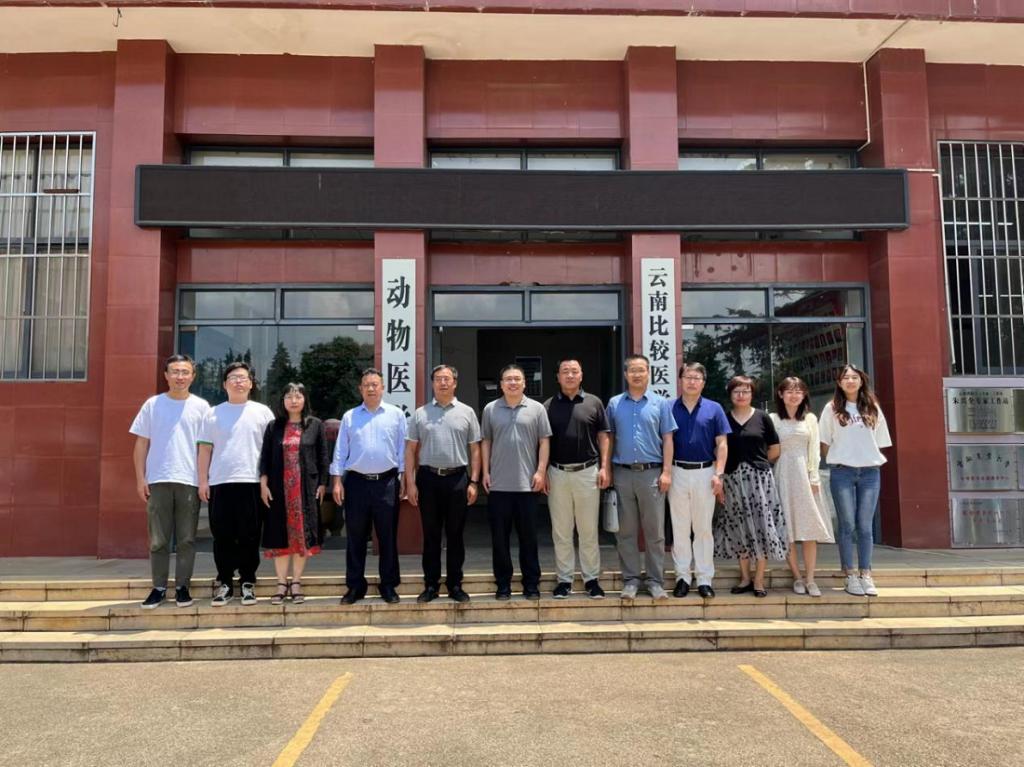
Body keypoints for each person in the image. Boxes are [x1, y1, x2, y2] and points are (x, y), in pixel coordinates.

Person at [129, 354, 211, 609]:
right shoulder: (153, 405)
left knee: (186, 539)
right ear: (166, 375)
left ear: (193, 376)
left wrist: (204, 480)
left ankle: (183, 587)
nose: (180, 377)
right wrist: (140, 478)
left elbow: (206, 447)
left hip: (189, 480)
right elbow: (141, 444)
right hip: (158, 479)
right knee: (158, 540)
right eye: (175, 372)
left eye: (185, 372)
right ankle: (159, 587)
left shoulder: (201, 407)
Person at [198, 361, 276, 607]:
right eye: (233, 377)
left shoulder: (263, 412)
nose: (238, 381)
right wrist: (203, 481)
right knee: (222, 535)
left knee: (249, 535)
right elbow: (204, 450)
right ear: (225, 384)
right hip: (220, 482)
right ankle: (224, 582)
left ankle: (247, 582)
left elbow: (271, 452)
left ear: (251, 384)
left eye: (243, 377)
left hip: (251, 482)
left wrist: (266, 481)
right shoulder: (212, 413)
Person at [405, 364, 482, 604]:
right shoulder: (421, 413)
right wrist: (410, 483)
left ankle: (455, 584)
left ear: (455, 383)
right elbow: (410, 450)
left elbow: (475, 449)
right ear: (432, 383)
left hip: (458, 479)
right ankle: (431, 585)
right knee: (431, 535)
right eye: (438, 379)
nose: (443, 383)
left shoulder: (467, 412)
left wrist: (474, 481)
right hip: (428, 479)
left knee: (456, 534)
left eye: (447, 379)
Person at [331, 368, 407, 605]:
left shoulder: (396, 415)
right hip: (356, 483)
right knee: (355, 537)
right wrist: (336, 481)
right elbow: (340, 450)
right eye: (367, 385)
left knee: (387, 537)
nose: (371, 388)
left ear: (383, 388)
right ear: (360, 389)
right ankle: (355, 586)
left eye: (375, 384)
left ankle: (389, 585)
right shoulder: (350, 416)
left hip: (387, 482)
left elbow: (403, 450)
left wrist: (405, 478)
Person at [606, 354, 676, 600]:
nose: (637, 374)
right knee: (626, 532)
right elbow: (608, 438)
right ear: (626, 375)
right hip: (623, 473)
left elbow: (668, 439)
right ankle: (631, 580)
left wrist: (667, 471)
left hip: (652, 474)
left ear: (649, 373)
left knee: (655, 532)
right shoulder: (615, 403)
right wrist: (607, 469)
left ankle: (655, 581)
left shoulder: (660, 403)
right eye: (632, 370)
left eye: (641, 370)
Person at [819, 364, 892, 597]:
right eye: (845, 378)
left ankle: (866, 573)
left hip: (870, 472)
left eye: (854, 377)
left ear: (861, 381)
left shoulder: (872, 407)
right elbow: (824, 443)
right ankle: (850, 574)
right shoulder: (831, 408)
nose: (850, 381)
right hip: (842, 472)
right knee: (847, 524)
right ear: (839, 383)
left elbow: (880, 442)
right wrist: (839, 458)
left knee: (865, 525)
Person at [481, 363, 552, 600]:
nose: (512, 383)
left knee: (529, 538)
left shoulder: (537, 409)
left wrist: (541, 471)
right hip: (499, 485)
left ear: (524, 383)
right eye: (508, 379)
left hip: (527, 485)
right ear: (501, 384)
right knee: (499, 539)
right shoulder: (490, 409)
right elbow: (486, 442)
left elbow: (544, 441)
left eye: (517, 379)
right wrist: (485, 471)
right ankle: (503, 584)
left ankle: (531, 584)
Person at [714, 375, 788, 598]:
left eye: (745, 391)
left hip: (759, 480)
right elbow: (718, 450)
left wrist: (759, 465)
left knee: (761, 527)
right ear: (730, 394)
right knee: (739, 528)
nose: (741, 395)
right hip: (733, 480)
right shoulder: (724, 418)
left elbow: (775, 449)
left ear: (752, 394)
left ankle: (759, 580)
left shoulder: (762, 417)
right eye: (736, 391)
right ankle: (745, 577)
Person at [543, 359, 611, 599]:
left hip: (587, 472)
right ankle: (564, 580)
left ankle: (591, 579)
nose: (570, 375)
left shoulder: (594, 403)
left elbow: (604, 436)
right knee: (561, 531)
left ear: (581, 375)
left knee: (588, 530)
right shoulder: (548, 406)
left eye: (574, 371)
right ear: (558, 377)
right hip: (557, 473)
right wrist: (542, 471)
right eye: (565, 371)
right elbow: (543, 441)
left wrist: (605, 467)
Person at [259, 383, 329, 605]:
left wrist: (322, 484)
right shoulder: (274, 427)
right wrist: (263, 483)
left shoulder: (315, 425)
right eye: (289, 396)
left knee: (301, 536)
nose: (294, 400)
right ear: (283, 401)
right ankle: (281, 584)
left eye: (298, 396)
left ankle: (296, 582)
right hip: (279, 490)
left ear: (305, 399)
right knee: (280, 536)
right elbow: (265, 457)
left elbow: (323, 457)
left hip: (305, 490)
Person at [667, 362, 729, 599]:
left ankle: (704, 578)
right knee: (680, 527)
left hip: (705, 472)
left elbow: (722, 443)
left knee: (703, 528)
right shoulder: (669, 407)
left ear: (703, 382)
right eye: (688, 377)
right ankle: (682, 577)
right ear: (680, 380)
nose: (692, 381)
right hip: (677, 472)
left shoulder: (714, 408)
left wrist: (719, 474)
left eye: (696, 378)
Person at [770, 377, 834, 598]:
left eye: (798, 391)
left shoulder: (810, 419)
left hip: (805, 476)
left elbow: (815, 450)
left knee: (809, 530)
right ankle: (797, 576)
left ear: (804, 394)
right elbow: (770, 449)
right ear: (781, 394)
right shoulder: (773, 419)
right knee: (787, 529)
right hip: (782, 474)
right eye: (789, 391)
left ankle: (810, 579)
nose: (794, 395)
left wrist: (814, 477)